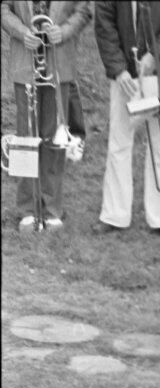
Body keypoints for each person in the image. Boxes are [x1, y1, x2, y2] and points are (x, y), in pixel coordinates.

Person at [94, 1, 160, 238]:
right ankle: (114, 215)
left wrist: (155, 55)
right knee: (119, 143)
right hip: (124, 76)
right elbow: (104, 24)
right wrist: (118, 69)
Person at [1, 0, 92, 232]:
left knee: (54, 137)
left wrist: (64, 31)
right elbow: (3, 9)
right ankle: (27, 209)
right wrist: (22, 32)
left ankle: (52, 208)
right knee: (25, 137)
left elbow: (83, 10)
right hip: (25, 62)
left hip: (59, 63)